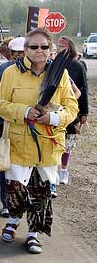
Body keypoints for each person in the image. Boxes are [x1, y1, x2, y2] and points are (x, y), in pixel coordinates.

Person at [0, 28, 78, 254]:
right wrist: (24, 112)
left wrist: (52, 117)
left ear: (50, 48)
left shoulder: (60, 74)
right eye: (34, 47)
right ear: (25, 49)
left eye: (44, 47)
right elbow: (0, 105)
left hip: (47, 144)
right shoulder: (10, 73)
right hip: (19, 144)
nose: (39, 51)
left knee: (40, 191)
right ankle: (13, 220)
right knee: (14, 189)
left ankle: (33, 233)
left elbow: (72, 108)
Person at [0, 36, 26, 216]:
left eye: (23, 52)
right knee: (5, 164)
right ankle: (6, 203)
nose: (20, 56)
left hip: (28, 127)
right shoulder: (4, 70)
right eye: (16, 53)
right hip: (7, 126)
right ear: (10, 54)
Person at [56, 36, 89, 185]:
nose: (58, 48)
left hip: (71, 110)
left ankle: (64, 170)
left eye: (62, 46)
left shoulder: (78, 66)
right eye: (57, 45)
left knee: (68, 142)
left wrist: (84, 113)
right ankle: (53, 170)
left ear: (69, 47)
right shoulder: (53, 63)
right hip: (54, 110)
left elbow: (83, 89)